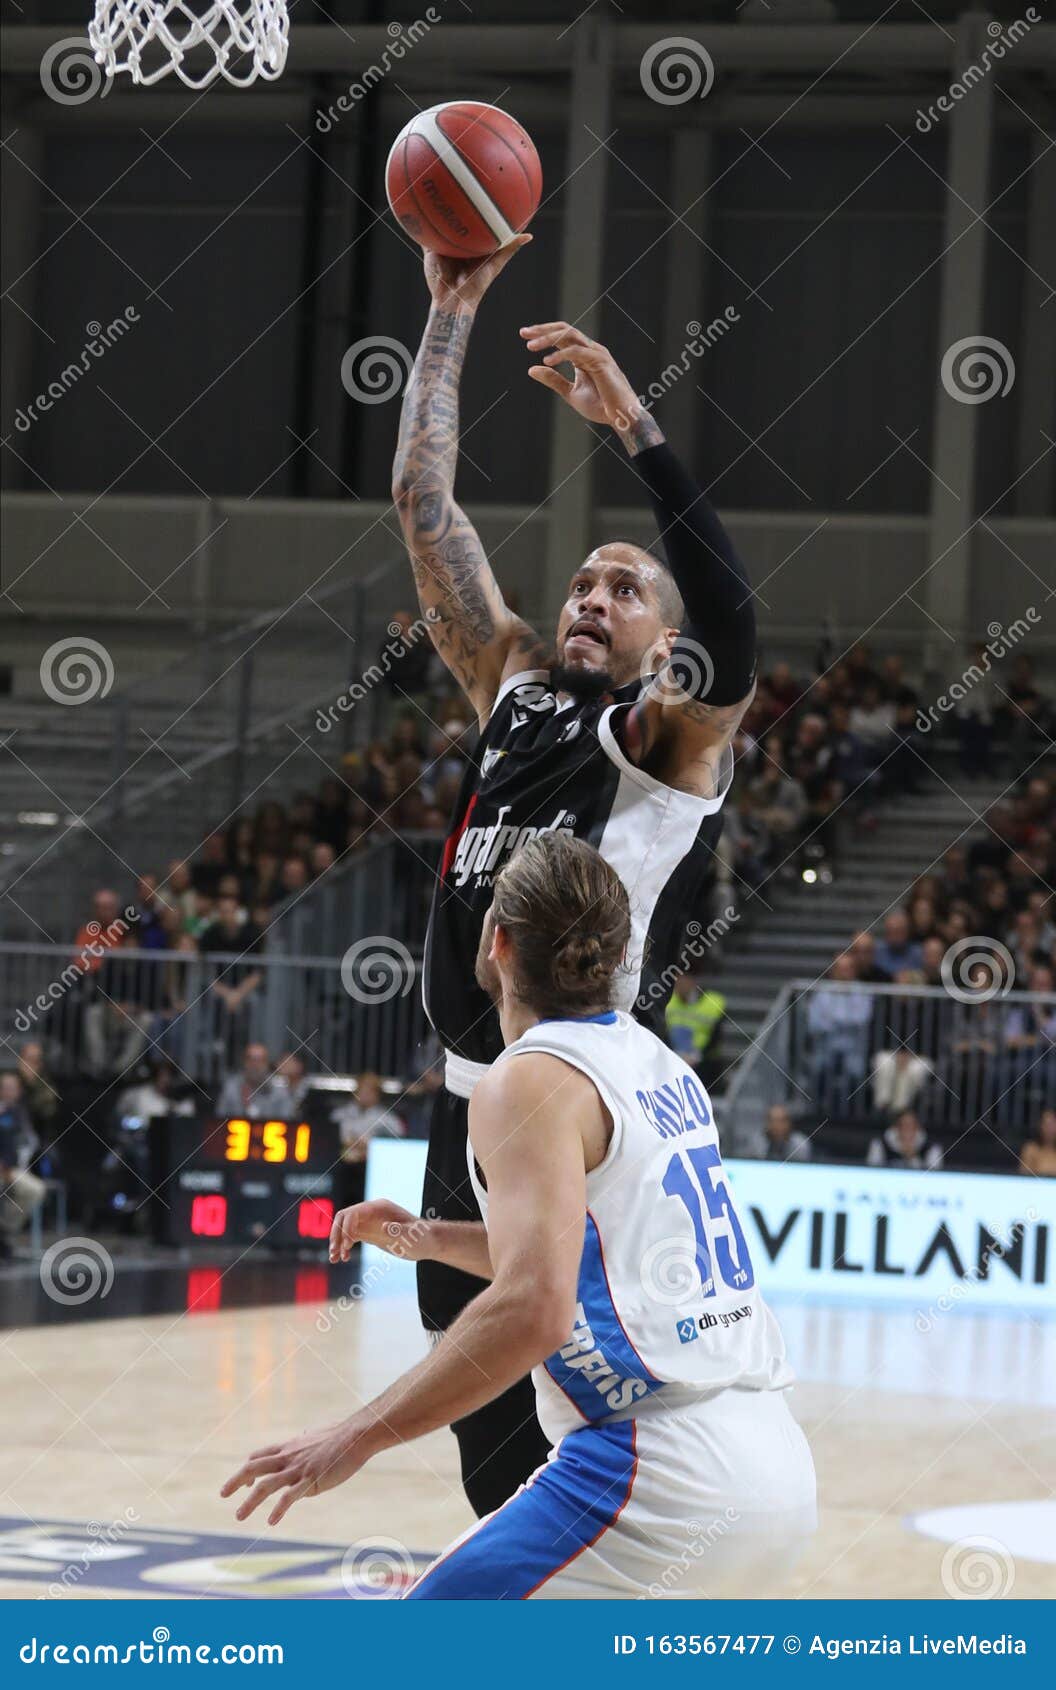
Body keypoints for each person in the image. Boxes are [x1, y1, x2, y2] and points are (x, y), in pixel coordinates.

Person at [388, 238, 759, 1516]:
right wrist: (450, 312)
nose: (595, 593)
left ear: (666, 639)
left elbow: (738, 627)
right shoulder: (516, 689)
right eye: (586, 579)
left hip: (579, 1101)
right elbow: (423, 510)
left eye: (628, 587)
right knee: (488, 1442)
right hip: (465, 1097)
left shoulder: (663, 742)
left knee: (583, 1420)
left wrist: (640, 431)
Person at [222, 834, 816, 1598]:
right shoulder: (658, 1062)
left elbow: (536, 1306)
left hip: (655, 1472)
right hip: (771, 1459)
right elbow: (587, 1257)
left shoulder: (525, 1077)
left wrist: (354, 1436)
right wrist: (428, 1238)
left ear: (497, 941)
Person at [0, 1073, 44, 1257]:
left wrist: (14, 1166)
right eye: (5, 1087)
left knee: (35, 1189)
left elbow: (29, 1142)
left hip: (13, 1167)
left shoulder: (20, 1114)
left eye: (13, 1088)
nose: (9, 1091)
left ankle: (4, 1231)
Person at [216, 1044, 289, 1121]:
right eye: (251, 1059)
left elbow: (289, 1121)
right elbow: (218, 1119)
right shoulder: (231, 1087)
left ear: (267, 1063)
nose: (255, 1065)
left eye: (259, 1060)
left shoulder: (279, 1087)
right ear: (244, 1062)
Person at [867, 1109, 943, 1171]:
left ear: (918, 1128)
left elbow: (934, 1176)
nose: (907, 1130)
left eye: (911, 1126)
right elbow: (872, 1170)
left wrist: (912, 1157)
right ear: (896, 1127)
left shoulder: (932, 1147)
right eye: (903, 1125)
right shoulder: (879, 1144)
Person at [1020, 1107, 1056, 1177]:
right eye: (1047, 1124)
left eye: (1053, 1124)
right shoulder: (1030, 1149)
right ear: (1040, 1125)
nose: (1050, 1129)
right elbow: (1023, 1178)